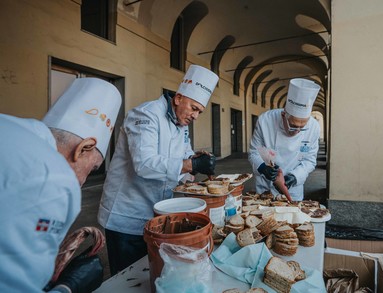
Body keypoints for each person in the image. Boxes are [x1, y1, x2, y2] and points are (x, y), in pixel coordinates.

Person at [0, 78, 122, 293]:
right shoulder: (54, 180)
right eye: (92, 169)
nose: (83, 181)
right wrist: (69, 287)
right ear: (84, 147)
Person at [98, 64, 219, 275]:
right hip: (126, 214)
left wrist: (196, 159)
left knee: (150, 275)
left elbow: (183, 156)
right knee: (127, 279)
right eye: (194, 108)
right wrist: (191, 165)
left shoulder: (181, 125)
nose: (196, 116)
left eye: (200, 111)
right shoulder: (145, 115)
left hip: (157, 212)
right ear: (178, 98)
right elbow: (144, 164)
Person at [248, 78, 321, 202]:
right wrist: (262, 168)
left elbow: (310, 160)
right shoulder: (265, 121)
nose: (297, 131)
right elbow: (254, 152)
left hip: (293, 191)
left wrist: (294, 177)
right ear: (284, 115)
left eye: (302, 128)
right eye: (293, 125)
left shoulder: (314, 127)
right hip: (266, 188)